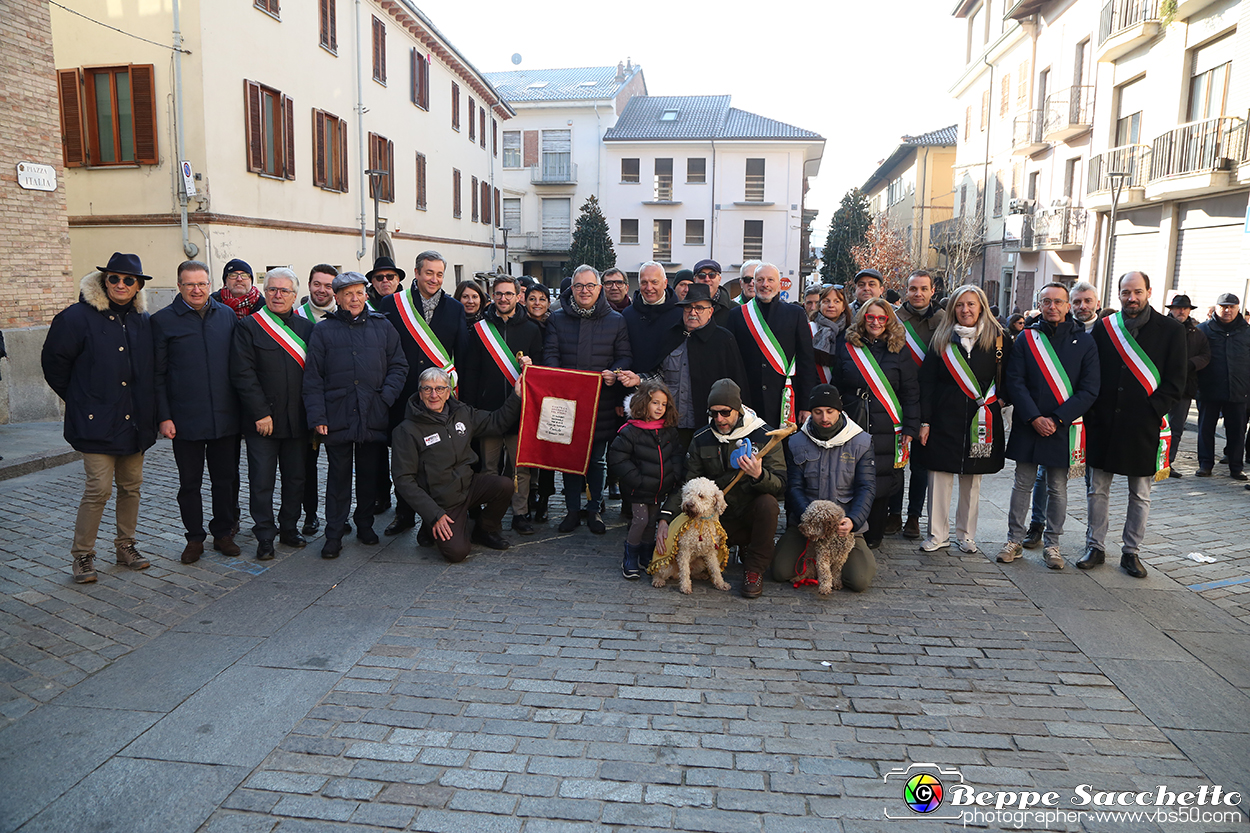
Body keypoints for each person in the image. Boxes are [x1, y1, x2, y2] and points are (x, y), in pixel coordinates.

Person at [41, 253, 157, 583]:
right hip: (94, 422)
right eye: (114, 279)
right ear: (103, 281)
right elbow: (54, 366)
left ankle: (126, 545)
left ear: (138, 286)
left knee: (131, 487)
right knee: (98, 489)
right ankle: (83, 555)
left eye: (128, 280)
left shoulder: (142, 320)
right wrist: (81, 400)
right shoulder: (76, 318)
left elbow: (147, 370)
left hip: (134, 422)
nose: (121, 285)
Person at [1081, 271, 1186, 578]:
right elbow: (1093, 372)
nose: (1132, 298)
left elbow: (1176, 380)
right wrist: (1095, 412)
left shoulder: (1170, 330)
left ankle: (1131, 552)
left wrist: (1153, 411)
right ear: (1119, 294)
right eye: (1126, 293)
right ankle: (1095, 546)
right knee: (1097, 489)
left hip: (1143, 425)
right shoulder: (1105, 328)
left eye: (1137, 292)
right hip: (1105, 423)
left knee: (1140, 492)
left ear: (1149, 292)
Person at [303, 271, 408, 558]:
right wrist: (318, 417)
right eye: (347, 294)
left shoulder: (382, 326)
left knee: (368, 475)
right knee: (337, 478)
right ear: (336, 298)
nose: (354, 299)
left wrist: (385, 398)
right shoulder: (323, 331)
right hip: (337, 415)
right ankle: (334, 532)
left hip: (373, 413)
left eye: (359, 293)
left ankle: (365, 524)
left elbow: (399, 366)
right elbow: (313, 378)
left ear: (366, 295)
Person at [998, 283, 1099, 570]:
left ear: (1068, 306)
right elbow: (1014, 381)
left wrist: (1056, 420)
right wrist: (1034, 418)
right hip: (1030, 423)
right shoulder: (1027, 338)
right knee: (1022, 484)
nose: (1052, 307)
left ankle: (1053, 545)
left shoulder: (1086, 342)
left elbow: (1089, 389)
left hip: (1061, 427)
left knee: (1058, 487)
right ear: (1039, 305)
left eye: (1058, 302)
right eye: (1046, 302)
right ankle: (1014, 540)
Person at [658, 379, 785, 598]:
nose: (719, 419)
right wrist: (665, 517)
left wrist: (759, 475)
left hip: (749, 512)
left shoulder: (764, 436)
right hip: (714, 519)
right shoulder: (701, 438)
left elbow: (781, 484)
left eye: (725, 412)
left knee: (769, 504)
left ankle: (754, 570)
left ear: (739, 408)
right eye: (714, 413)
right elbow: (686, 484)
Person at [152, 260, 242, 564]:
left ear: (210, 284)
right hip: (184, 419)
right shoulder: (162, 321)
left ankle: (223, 533)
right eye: (190, 284)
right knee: (189, 483)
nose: (197, 289)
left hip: (225, 417)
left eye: (202, 283)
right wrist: (164, 416)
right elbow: (157, 375)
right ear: (179, 286)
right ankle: (194, 538)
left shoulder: (227, 316)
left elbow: (237, 368)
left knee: (225, 480)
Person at [392, 368, 525, 563]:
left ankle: (485, 530)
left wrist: (516, 396)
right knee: (457, 553)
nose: (433, 395)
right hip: (442, 501)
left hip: (468, 486)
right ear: (420, 393)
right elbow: (403, 480)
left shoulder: (463, 413)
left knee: (504, 485)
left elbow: (496, 422)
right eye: (427, 389)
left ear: (448, 392)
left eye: (439, 388)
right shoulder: (406, 430)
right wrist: (434, 514)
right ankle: (432, 526)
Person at [377, 251, 467, 536]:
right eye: (429, 273)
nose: (434, 279)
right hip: (404, 394)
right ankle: (403, 514)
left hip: (438, 396)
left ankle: (432, 520)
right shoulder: (392, 304)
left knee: (435, 458)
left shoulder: (455, 308)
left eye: (440, 274)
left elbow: (461, 354)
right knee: (406, 459)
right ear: (416, 273)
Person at [916, 284, 1009, 554]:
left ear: (981, 307)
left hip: (982, 421)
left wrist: (1000, 401)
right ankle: (937, 534)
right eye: (959, 305)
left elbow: (1011, 377)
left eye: (971, 304)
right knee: (939, 476)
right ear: (952, 308)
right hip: (944, 419)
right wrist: (925, 420)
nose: (965, 310)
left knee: (973, 479)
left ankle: (966, 535)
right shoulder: (940, 339)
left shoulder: (999, 339)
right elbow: (927, 383)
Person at [230, 267, 314, 559]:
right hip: (262, 421)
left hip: (297, 420)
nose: (277, 295)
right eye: (272, 290)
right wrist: (260, 413)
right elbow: (243, 374)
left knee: (296, 478)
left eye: (284, 291)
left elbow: (314, 376)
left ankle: (289, 528)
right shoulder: (249, 326)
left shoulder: (306, 329)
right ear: (265, 293)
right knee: (262, 481)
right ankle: (265, 535)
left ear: (294, 294)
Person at [544, 264, 632, 534]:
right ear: (572, 289)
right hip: (567, 403)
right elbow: (550, 355)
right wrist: (560, 377)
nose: (584, 291)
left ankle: (594, 510)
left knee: (597, 460)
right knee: (570, 460)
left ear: (599, 289)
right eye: (579, 286)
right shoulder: (557, 319)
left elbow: (625, 357)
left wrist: (614, 373)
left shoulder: (616, 320)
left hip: (600, 403)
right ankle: (572, 510)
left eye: (590, 286)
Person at [459, 275, 545, 534]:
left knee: (521, 468)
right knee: (488, 467)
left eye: (509, 294)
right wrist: (471, 409)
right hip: (489, 413)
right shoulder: (480, 329)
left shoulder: (532, 329)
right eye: (499, 294)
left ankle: (520, 513)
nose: (503, 298)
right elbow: (471, 372)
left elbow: (542, 372)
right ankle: (489, 515)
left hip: (521, 412)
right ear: (492, 296)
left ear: (519, 296)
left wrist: (532, 367)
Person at [833, 299, 919, 549]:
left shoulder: (899, 349)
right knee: (848, 474)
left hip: (887, 422)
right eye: (870, 317)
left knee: (881, 477)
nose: (875, 322)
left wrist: (911, 428)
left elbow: (910, 391)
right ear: (862, 318)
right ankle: (849, 527)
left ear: (888, 320)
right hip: (852, 418)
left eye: (881, 318)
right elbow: (837, 382)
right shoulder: (847, 345)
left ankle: (874, 534)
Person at [621, 283, 747, 450]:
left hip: (709, 426)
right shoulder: (671, 335)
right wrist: (639, 379)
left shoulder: (723, 340)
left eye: (699, 308)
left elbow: (736, 385)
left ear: (710, 311)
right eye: (688, 307)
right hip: (671, 424)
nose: (692, 312)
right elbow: (660, 376)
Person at [780, 385, 877, 591]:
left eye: (830, 411)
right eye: (818, 412)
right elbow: (794, 486)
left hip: (846, 527)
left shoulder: (861, 441)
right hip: (807, 523)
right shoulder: (796, 441)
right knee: (781, 572)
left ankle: (828, 562)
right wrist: (810, 517)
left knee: (858, 581)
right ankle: (815, 562)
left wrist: (853, 520)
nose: (824, 417)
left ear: (839, 411)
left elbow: (866, 487)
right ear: (810, 412)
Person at [607, 381, 684, 579]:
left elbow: (676, 454)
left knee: (651, 523)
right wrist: (637, 479)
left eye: (663, 404)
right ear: (643, 403)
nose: (659, 408)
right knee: (640, 521)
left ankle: (646, 555)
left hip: (660, 488)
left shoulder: (668, 431)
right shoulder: (631, 431)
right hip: (638, 489)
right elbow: (616, 458)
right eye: (655, 403)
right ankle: (630, 556)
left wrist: (674, 475)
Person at [890, 269, 946, 539]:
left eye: (924, 289)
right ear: (906, 290)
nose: (918, 294)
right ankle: (893, 513)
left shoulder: (943, 319)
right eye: (913, 289)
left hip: (930, 397)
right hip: (897, 395)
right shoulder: (894, 319)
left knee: (921, 461)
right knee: (895, 459)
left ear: (932, 290)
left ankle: (914, 516)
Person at [726, 262, 817, 428]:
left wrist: (806, 404)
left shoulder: (795, 314)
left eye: (770, 280)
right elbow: (730, 361)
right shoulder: (737, 315)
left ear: (779, 283)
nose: (765, 284)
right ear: (753, 282)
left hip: (785, 398)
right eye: (760, 280)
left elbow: (806, 361)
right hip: (748, 398)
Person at [297, 264, 338, 534]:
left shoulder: (344, 316)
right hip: (303, 404)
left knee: (338, 465)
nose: (322, 290)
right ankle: (310, 514)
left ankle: (339, 515)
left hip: (336, 404)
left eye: (328, 285)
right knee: (305, 466)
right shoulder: (295, 317)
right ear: (309, 285)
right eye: (317, 284)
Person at [1195, 293, 1250, 480]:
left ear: (1238, 308)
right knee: (1205, 429)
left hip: (1238, 390)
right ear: (1216, 308)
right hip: (1209, 389)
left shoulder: (1247, 332)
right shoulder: (1203, 330)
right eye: (1223, 307)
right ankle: (1205, 465)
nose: (1227, 310)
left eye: (1231, 307)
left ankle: (1236, 467)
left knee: (1237, 431)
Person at [1164, 294, 1210, 477]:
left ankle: (1167, 463)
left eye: (1185, 308)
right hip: (1159, 385)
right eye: (1177, 308)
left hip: (1184, 387)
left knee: (1176, 428)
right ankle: (1146, 460)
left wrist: (1190, 364)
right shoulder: (1160, 328)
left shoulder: (1197, 333)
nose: (1181, 311)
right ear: (1171, 309)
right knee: (1152, 425)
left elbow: (1206, 355)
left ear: (1190, 310)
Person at [523, 283, 557, 522]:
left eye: (542, 299)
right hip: (525, 392)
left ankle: (544, 496)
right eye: (532, 298)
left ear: (548, 302)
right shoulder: (519, 325)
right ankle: (526, 494)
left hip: (550, 391)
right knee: (526, 445)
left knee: (548, 447)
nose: (537, 303)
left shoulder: (555, 325)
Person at [620, 261, 682, 380]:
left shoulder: (680, 315)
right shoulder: (628, 315)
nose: (649, 288)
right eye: (644, 283)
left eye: (654, 282)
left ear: (665, 283)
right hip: (633, 387)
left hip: (669, 387)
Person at [811, 284, 852, 378]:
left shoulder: (851, 334)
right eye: (826, 301)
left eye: (836, 301)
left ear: (843, 307)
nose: (831, 305)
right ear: (819, 305)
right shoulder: (808, 329)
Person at [692, 259, 737, 326]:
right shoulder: (686, 308)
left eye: (712, 275)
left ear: (719, 279)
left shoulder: (735, 310)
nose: (707, 279)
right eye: (702, 275)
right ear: (695, 280)